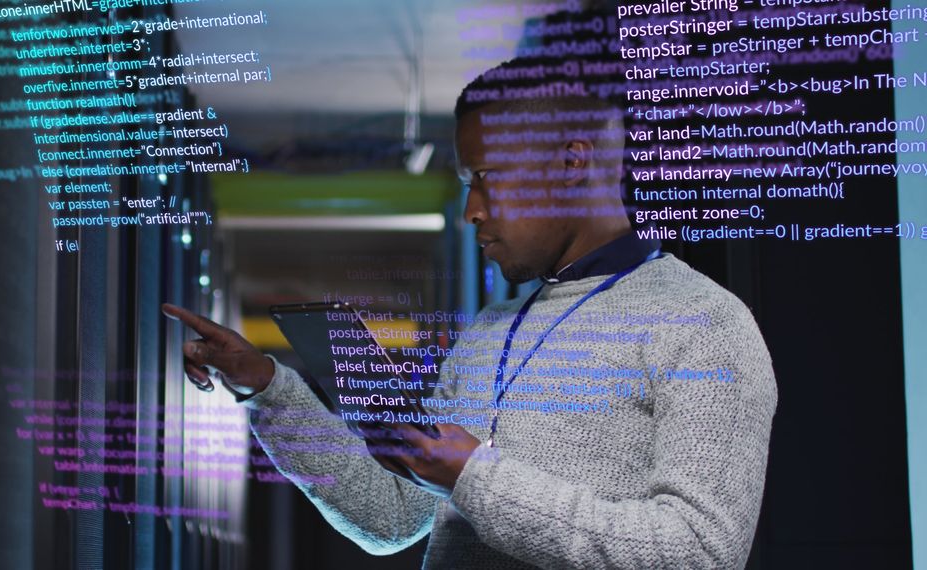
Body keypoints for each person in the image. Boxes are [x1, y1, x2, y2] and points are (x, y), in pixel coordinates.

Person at [163, 56, 778, 569]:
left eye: (487, 177)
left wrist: (474, 475)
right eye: (466, 184)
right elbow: (394, 518)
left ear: (571, 163)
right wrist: (267, 390)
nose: (472, 212)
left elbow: (699, 553)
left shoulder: (703, 323)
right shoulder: (489, 330)